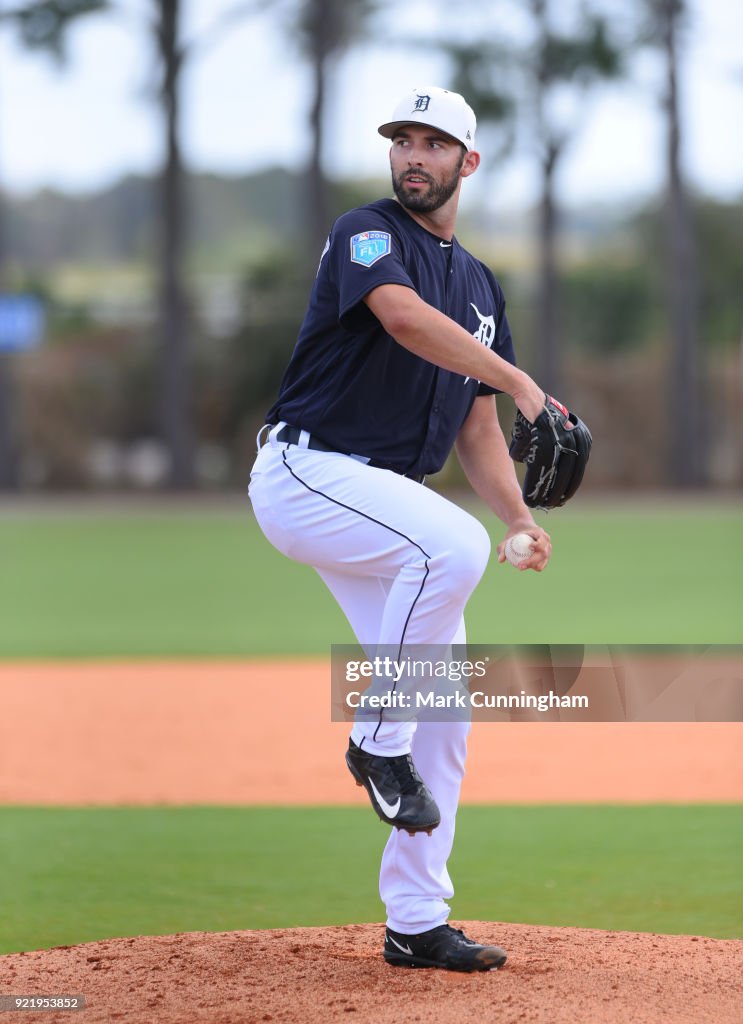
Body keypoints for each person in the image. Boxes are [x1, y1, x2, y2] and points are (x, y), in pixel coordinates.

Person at [248, 85, 552, 972]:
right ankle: (375, 742)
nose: (413, 155)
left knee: (447, 706)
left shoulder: (482, 286)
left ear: (469, 161)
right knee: (448, 547)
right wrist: (525, 380)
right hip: (309, 471)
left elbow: (475, 426)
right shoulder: (365, 232)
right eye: (402, 140)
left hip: (383, 502)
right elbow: (404, 320)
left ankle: (415, 920)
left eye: (434, 142)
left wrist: (521, 517)